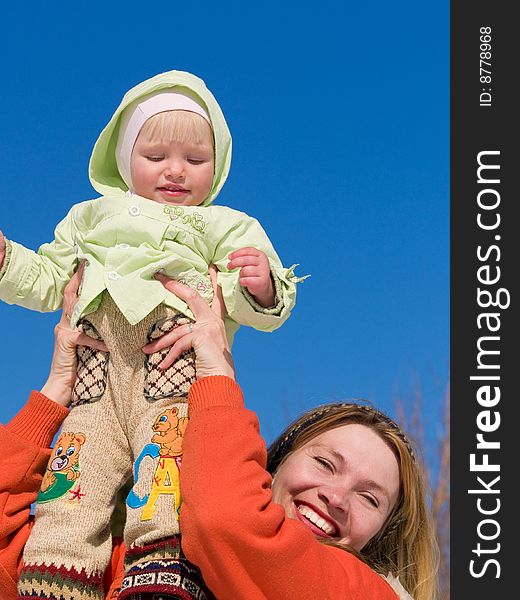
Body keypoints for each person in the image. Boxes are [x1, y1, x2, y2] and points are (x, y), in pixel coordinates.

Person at [0, 69, 305, 600]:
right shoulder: (89, 217)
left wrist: (262, 287)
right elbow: (50, 280)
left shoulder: (222, 224)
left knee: (164, 467)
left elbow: (241, 295)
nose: (175, 171)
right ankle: (56, 573)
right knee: (76, 472)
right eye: (156, 155)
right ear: (125, 159)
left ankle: (159, 571)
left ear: (217, 166)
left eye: (195, 160)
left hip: (170, 364)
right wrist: (7, 261)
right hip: (94, 372)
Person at [0, 269, 439, 600]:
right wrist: (56, 392)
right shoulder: (147, 569)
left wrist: (215, 375)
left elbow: (225, 520)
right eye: (325, 464)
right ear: (272, 464)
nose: (337, 498)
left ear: (385, 531)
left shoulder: (362, 593)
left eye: (370, 498)